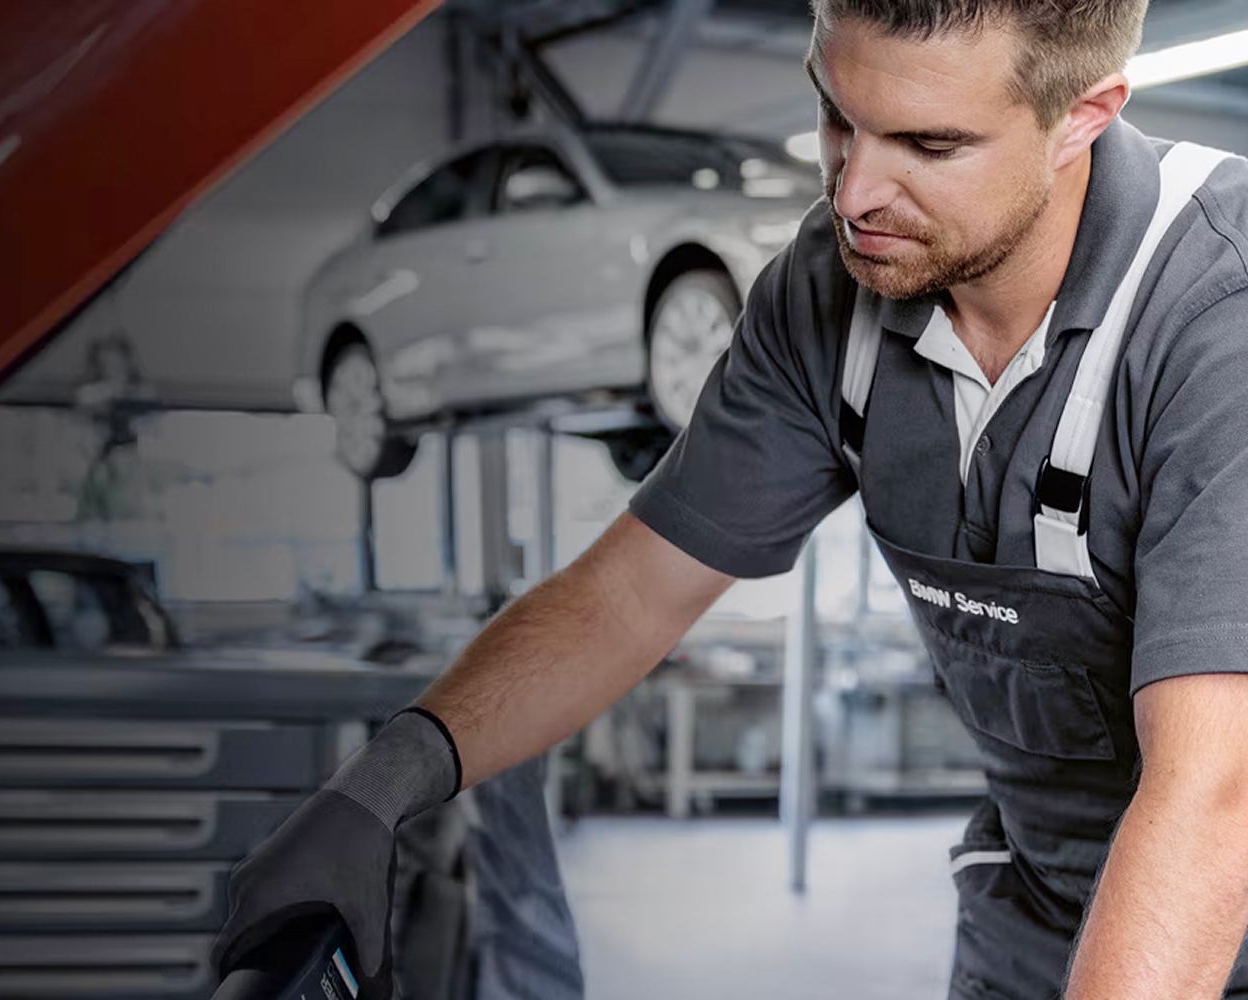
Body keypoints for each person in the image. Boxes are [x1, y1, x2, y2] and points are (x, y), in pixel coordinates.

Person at [214, 0, 1248, 996]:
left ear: (1083, 118)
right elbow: (630, 594)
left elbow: (1213, 794)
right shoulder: (832, 291)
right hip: (1038, 916)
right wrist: (383, 783)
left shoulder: (1216, 315)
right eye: (838, 116)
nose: (854, 192)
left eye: (928, 145)